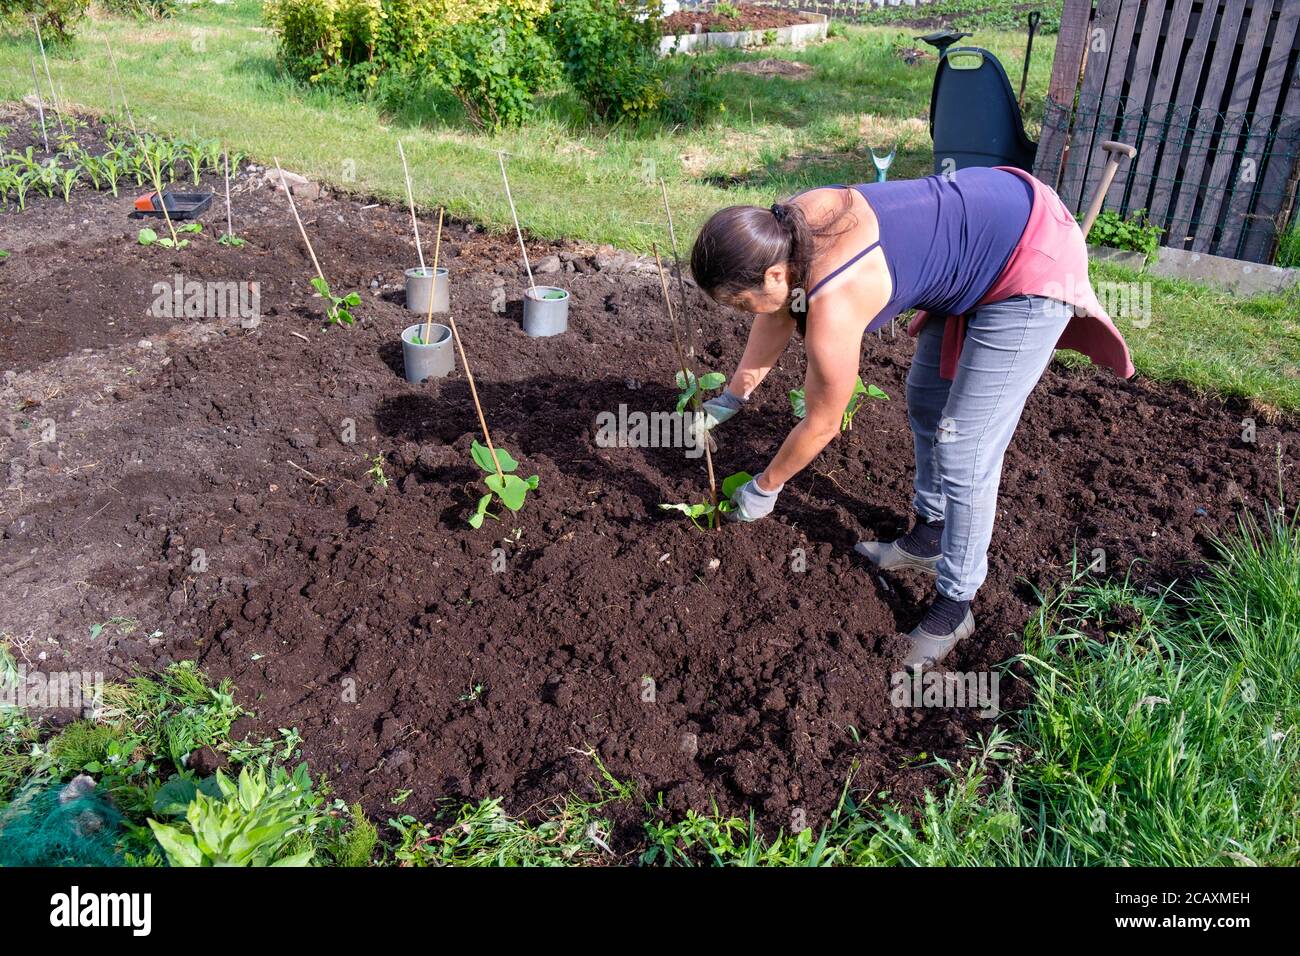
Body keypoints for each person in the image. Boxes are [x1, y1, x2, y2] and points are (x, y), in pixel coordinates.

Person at [689, 166, 1134, 669]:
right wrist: (733, 397)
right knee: (926, 400)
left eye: (741, 302)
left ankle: (955, 606)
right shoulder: (785, 229)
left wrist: (764, 489)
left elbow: (822, 423)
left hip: (1029, 257)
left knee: (966, 447)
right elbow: (777, 311)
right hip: (982, 234)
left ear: (773, 274)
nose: (746, 314)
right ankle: (927, 537)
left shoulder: (835, 300)